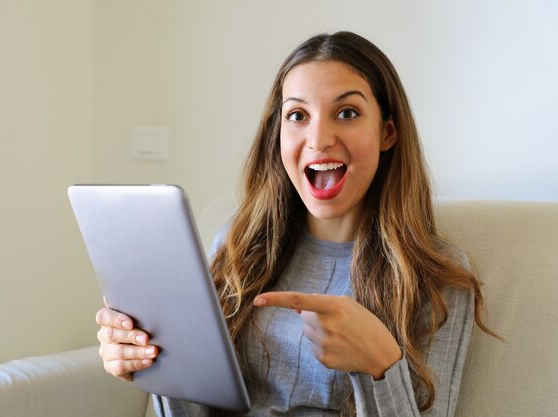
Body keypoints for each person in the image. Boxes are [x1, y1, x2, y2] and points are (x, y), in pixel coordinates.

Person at [95, 31, 495, 416]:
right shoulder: (239, 245)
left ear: (387, 132)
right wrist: (153, 361)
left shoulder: (436, 276)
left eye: (347, 112)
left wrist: (380, 365)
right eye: (298, 115)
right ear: (279, 133)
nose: (318, 138)